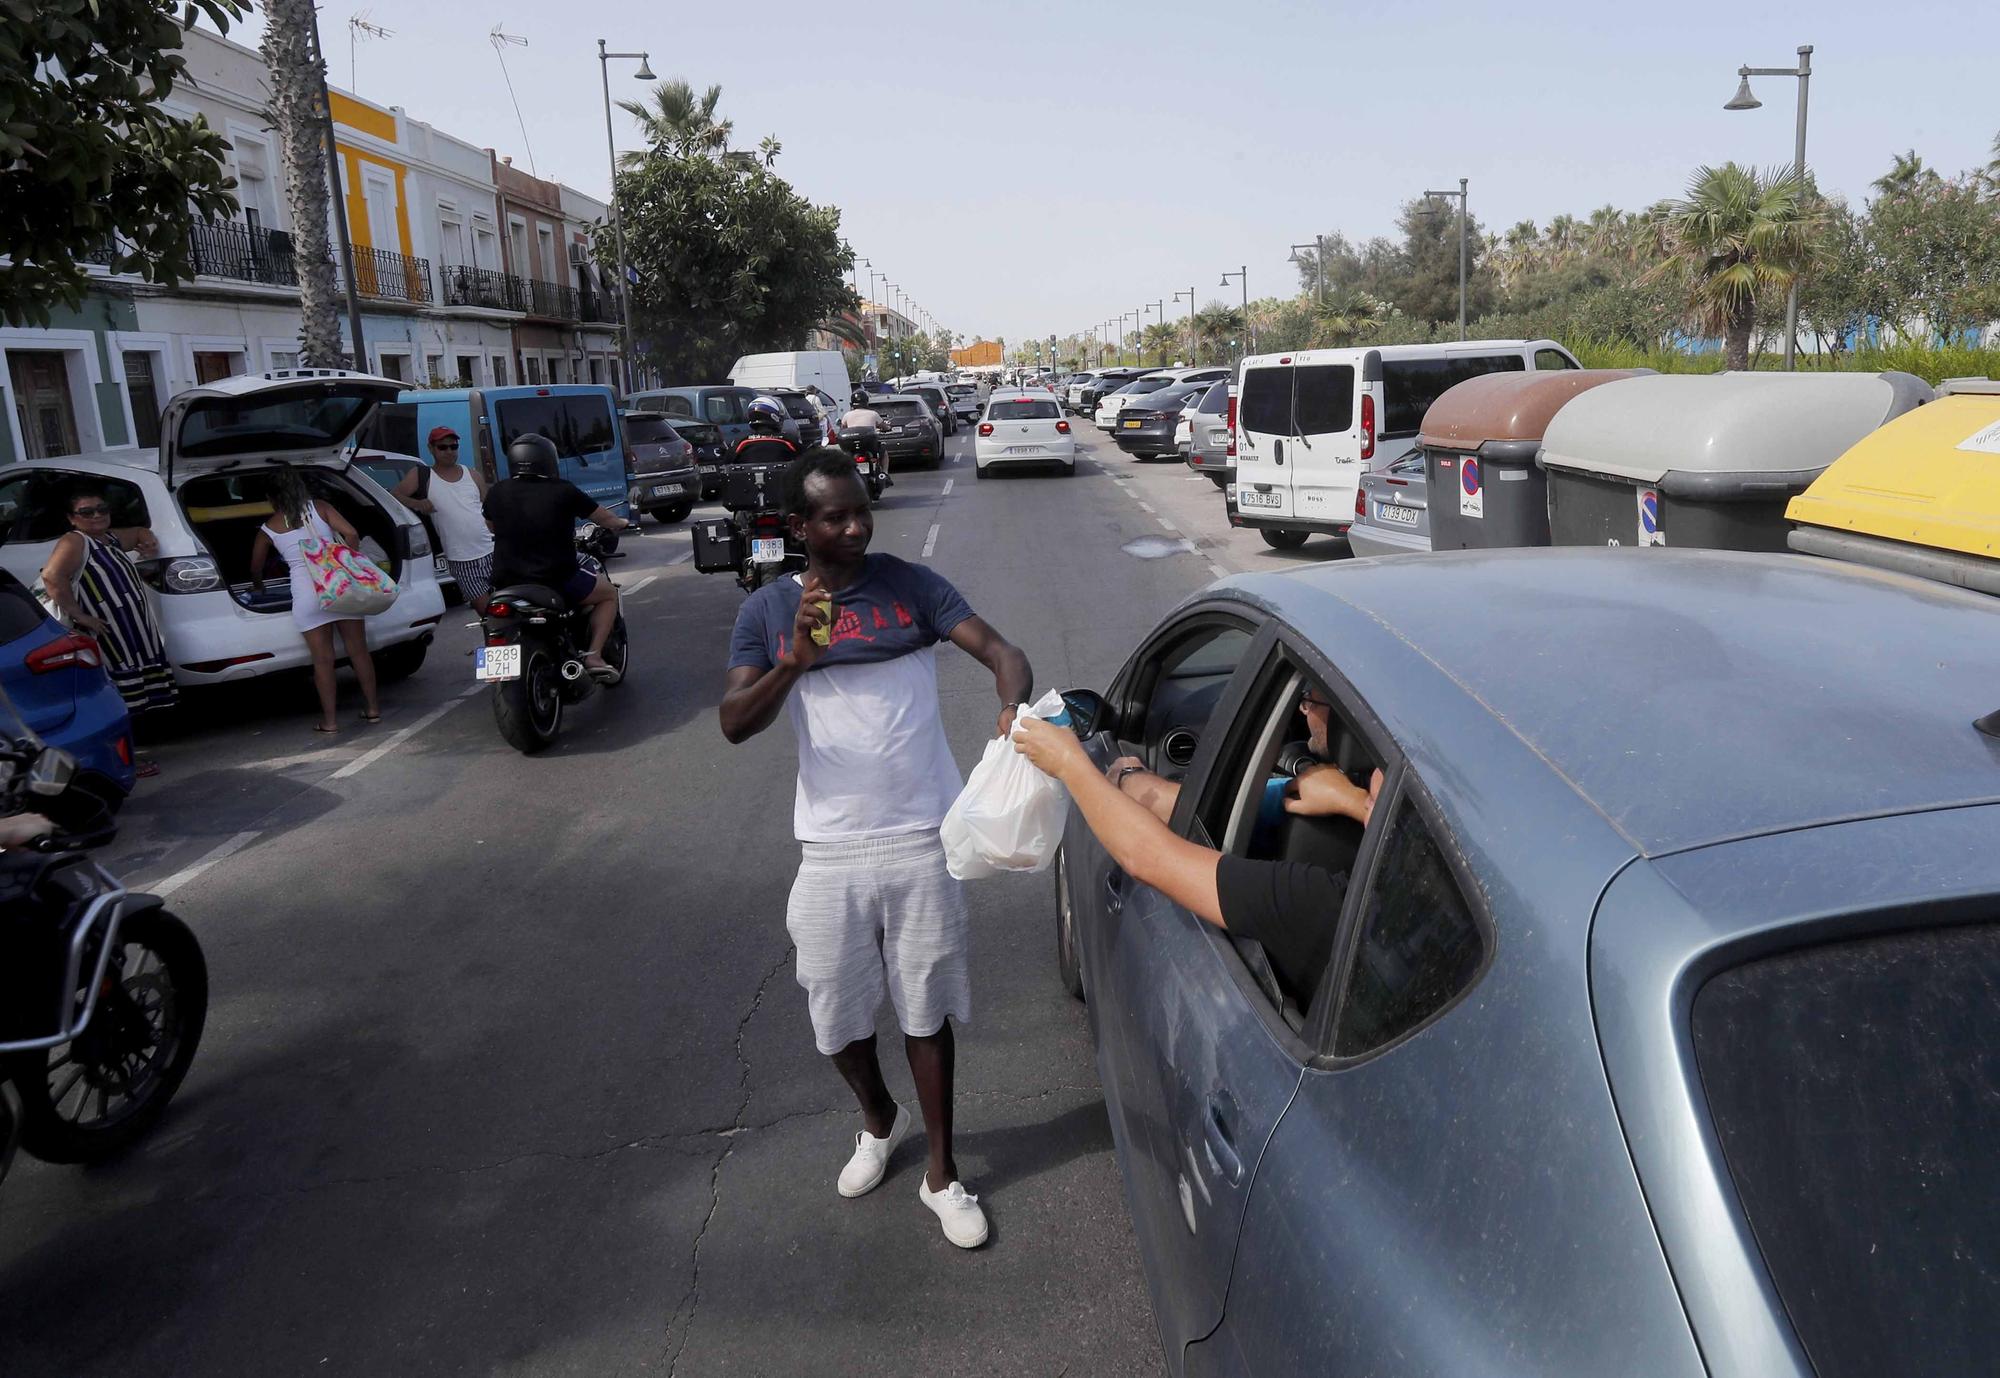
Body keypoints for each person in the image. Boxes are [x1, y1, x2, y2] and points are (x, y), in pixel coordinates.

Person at [720, 448, 1030, 1250]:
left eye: (862, 510)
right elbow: (734, 722)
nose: (855, 525)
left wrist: (1010, 706)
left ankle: (943, 1175)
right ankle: (877, 1118)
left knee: (926, 1011)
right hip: (829, 848)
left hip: (923, 836)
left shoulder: (911, 588)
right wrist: (793, 663)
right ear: (800, 527)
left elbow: (1001, 651)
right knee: (833, 1009)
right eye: (835, 515)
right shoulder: (768, 611)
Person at [1012, 687, 1384, 1005]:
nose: (1303, 707)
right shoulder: (1410, 881)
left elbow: (1149, 857)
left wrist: (1071, 764)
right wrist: (1357, 803)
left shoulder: (1323, 901)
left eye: (1375, 774)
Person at [37, 483, 177, 773]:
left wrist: (147, 538)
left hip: (131, 632)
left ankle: (130, 756)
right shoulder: (75, 541)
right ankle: (123, 761)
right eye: (86, 512)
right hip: (108, 635)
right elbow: (52, 577)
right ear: (72, 518)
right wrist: (79, 615)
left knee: (133, 698)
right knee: (115, 699)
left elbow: (138, 532)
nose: (96, 515)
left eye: (102, 509)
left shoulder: (107, 538)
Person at [482, 433, 632, 680]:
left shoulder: (498, 491)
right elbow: (602, 517)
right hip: (556, 578)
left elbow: (491, 526)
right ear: (547, 459)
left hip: (506, 582)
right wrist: (621, 522)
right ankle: (594, 655)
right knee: (608, 594)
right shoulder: (562, 490)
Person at [248, 467, 382, 734]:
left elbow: (256, 567)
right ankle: (372, 708)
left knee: (322, 660)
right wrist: (346, 560)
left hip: (307, 594)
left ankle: (330, 722)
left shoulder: (268, 528)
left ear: (271, 496)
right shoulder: (320, 507)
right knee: (358, 651)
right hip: (338, 585)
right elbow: (352, 533)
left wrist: (258, 585)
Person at [392, 426, 493, 609]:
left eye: (453, 447)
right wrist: (418, 503)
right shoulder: (422, 475)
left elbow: (490, 509)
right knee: (486, 611)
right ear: (431, 448)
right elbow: (396, 495)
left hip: (491, 551)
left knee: (505, 607)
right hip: (461, 559)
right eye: (442, 447)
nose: (449, 451)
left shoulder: (473, 474)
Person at [836, 398, 893, 488]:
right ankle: (885, 473)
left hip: (852, 446)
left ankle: (844, 476)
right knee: (883, 452)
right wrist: (887, 428)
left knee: (844, 458)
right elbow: (884, 426)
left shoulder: (847, 415)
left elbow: (842, 428)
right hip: (869, 445)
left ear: (852, 404)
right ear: (866, 402)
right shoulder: (873, 414)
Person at [732, 396, 800, 465]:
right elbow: (805, 462)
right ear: (774, 416)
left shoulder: (740, 442)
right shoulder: (789, 441)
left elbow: (726, 464)